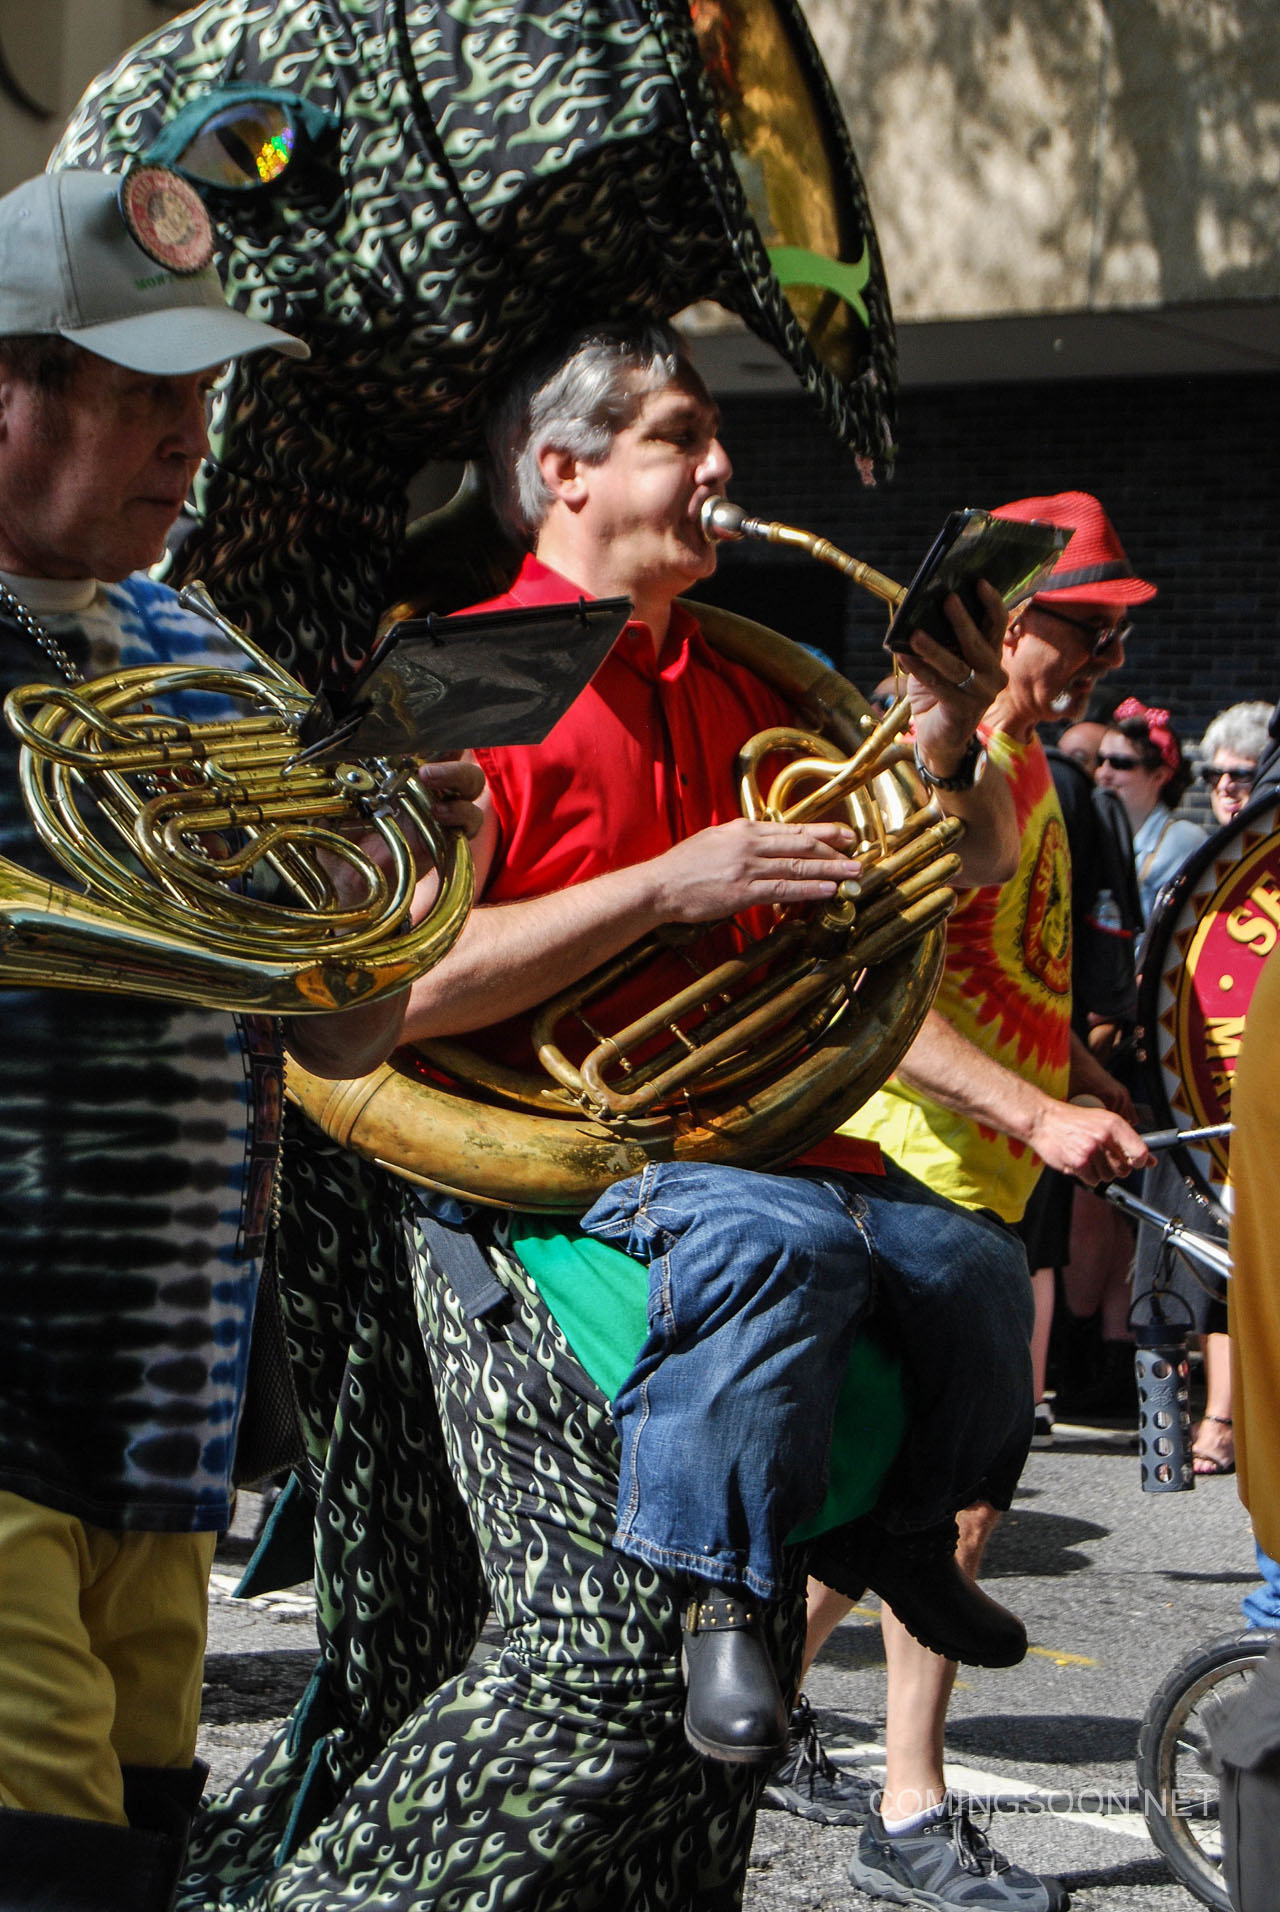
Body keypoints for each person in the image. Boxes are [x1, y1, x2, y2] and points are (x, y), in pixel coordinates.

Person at [184, 315, 1052, 1911]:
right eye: (676, 435)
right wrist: (664, 888)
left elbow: (974, 860)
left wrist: (941, 732)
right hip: (542, 1201)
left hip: (740, 1157)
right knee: (599, 1685)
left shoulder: (737, 670)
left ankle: (901, 1533)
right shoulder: (452, 680)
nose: (723, 468)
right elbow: (378, 997)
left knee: (978, 1266)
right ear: (560, 474)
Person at [0, 168, 482, 1911]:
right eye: (139, 392)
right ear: (6, 388)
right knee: (42, 1856)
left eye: (201, 396)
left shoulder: (202, 652)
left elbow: (343, 1025)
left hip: (169, 1383)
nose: (189, 437)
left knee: (125, 1850)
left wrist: (398, 849)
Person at [793, 490, 1155, 1912]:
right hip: (903, 1166)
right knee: (954, 1508)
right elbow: (880, 1003)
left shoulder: (1027, 771)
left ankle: (743, 1706)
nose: (1103, 672)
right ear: (1002, 623)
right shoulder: (919, 760)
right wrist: (1034, 1107)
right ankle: (909, 1808)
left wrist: (1077, 1083)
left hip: (978, 1166)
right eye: (1087, 635)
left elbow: (1002, 977)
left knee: (898, 1499)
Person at [1128, 699, 1271, 1477]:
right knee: (1174, 1264)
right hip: (1190, 1080)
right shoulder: (1194, 865)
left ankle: (1223, 1420)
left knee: (1239, 1264)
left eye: (1242, 777)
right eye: (1215, 776)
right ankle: (1170, 1438)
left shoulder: (1261, 865)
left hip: (1250, 1095)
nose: (1226, 789)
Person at [1095, 696, 1205, 921]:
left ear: (1159, 776)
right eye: (1100, 760)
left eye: (1121, 764)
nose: (1103, 774)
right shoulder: (1090, 831)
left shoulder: (1184, 842)